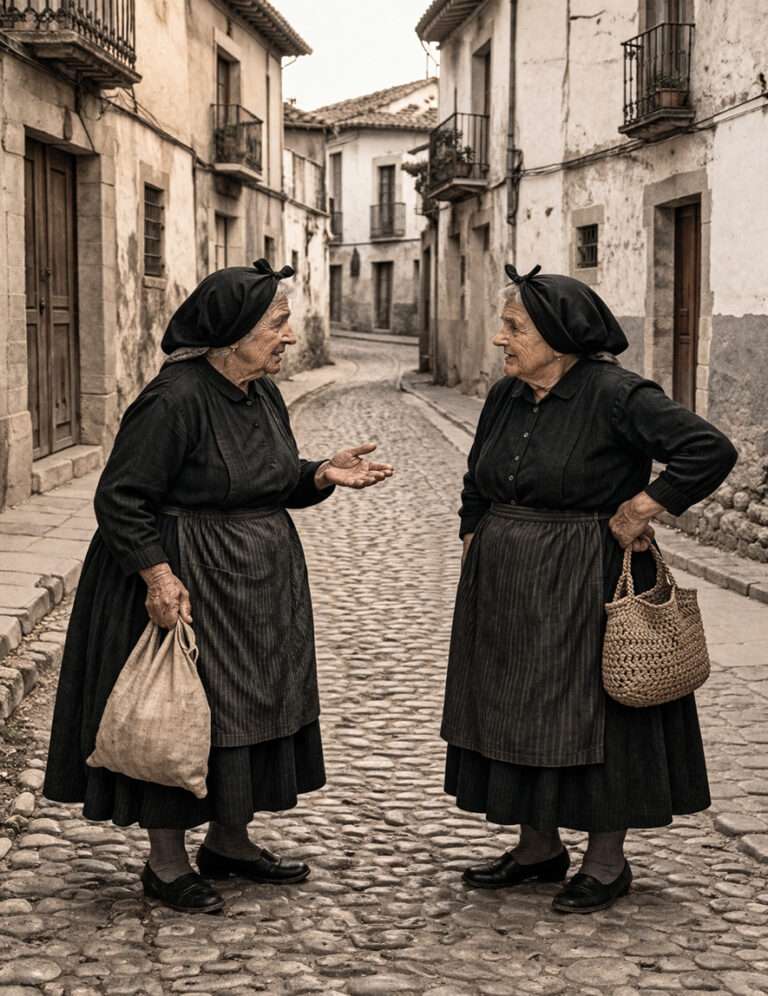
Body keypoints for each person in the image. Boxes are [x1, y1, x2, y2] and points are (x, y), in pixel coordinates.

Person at [44, 259, 393, 914]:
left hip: (255, 589)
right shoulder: (173, 399)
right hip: (187, 581)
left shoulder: (260, 392)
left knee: (247, 712)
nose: (288, 337)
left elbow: (272, 476)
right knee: (182, 713)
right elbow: (121, 498)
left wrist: (320, 474)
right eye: (278, 324)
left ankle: (230, 840)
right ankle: (166, 862)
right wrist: (156, 573)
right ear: (233, 331)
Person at [442, 264, 737, 914]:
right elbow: (476, 479)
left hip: (585, 578)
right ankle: (535, 848)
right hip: (506, 586)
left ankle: (606, 862)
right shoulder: (506, 397)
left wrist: (646, 505)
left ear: (557, 334)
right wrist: (474, 536)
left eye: (514, 327)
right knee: (516, 709)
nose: (501, 339)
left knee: (596, 716)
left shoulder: (617, 395)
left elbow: (708, 449)